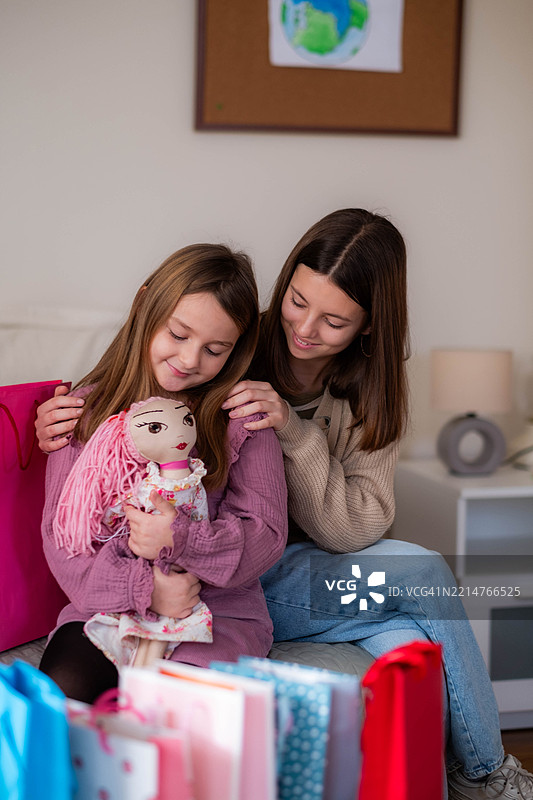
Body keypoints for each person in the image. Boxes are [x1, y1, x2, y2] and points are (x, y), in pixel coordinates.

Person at [36, 212, 533, 799]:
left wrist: (294, 434)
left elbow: (353, 528)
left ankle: (480, 776)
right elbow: (68, 535)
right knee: (419, 595)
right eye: (297, 301)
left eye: (335, 321)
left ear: (370, 327)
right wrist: (59, 417)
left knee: (417, 608)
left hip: (275, 568)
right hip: (240, 577)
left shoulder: (341, 396)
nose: (304, 328)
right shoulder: (234, 342)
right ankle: (486, 774)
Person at [39, 243, 288, 704]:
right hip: (106, 608)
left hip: (217, 611)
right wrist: (145, 590)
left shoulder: (239, 414)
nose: (191, 359)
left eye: (215, 349)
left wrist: (183, 539)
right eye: (178, 334)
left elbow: (267, 531)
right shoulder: (83, 414)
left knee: (185, 710)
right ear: (144, 304)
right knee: (62, 696)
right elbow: (64, 541)